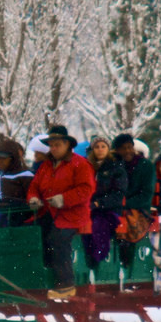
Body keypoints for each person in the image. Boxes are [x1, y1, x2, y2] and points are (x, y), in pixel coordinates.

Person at [27, 125, 95, 299]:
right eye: (51, 145)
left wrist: (64, 199)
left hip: (73, 215)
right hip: (49, 213)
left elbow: (86, 189)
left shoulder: (80, 164)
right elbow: (34, 185)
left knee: (57, 239)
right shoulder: (45, 166)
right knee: (32, 236)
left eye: (57, 145)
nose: (54, 148)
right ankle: (43, 278)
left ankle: (66, 283)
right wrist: (33, 198)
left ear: (67, 145)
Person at [84, 135, 127, 267]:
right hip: (88, 208)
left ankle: (98, 260)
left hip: (110, 210)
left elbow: (118, 194)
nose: (100, 149)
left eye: (103, 146)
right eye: (97, 147)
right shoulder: (87, 167)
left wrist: (99, 203)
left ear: (108, 149)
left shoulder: (116, 168)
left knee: (98, 225)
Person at [113, 133, 155, 265]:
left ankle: (127, 264)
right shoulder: (114, 166)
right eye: (123, 148)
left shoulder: (145, 166)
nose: (127, 151)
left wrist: (124, 204)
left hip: (139, 208)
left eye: (129, 147)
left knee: (128, 223)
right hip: (116, 206)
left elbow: (146, 195)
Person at [0, 136, 35, 227]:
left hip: (22, 221)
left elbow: (31, 198)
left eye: (4, 158)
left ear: (13, 158)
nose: (0, 162)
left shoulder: (25, 175)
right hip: (1, 220)